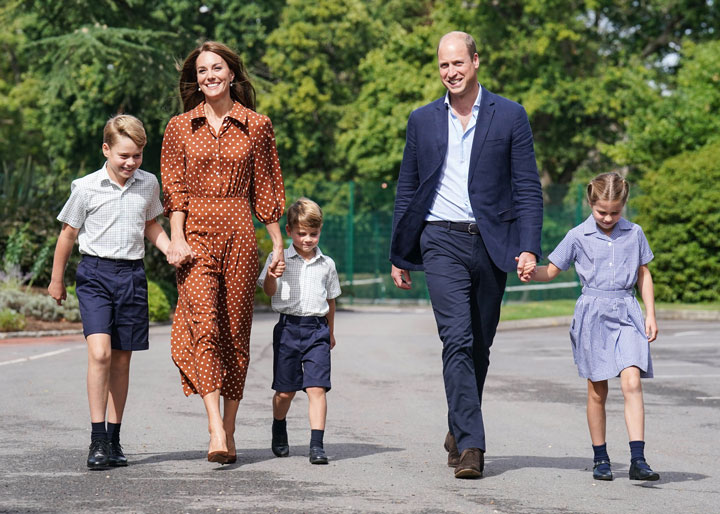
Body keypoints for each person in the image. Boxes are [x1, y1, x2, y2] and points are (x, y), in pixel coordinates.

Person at [389, 31, 543, 479]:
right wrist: (401, 251)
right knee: (455, 338)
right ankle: (473, 447)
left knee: (479, 343)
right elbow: (407, 189)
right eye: (443, 66)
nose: (451, 72)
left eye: (458, 63)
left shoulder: (510, 116)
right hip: (440, 240)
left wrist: (529, 245)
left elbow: (527, 187)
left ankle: (459, 425)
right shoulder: (421, 121)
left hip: (493, 243)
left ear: (476, 61)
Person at [161, 41, 286, 464]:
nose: (209, 76)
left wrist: (278, 242)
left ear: (232, 73)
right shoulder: (179, 127)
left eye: (217, 68)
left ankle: (230, 427)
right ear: (195, 79)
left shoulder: (257, 125)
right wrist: (176, 238)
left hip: (239, 235)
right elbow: (174, 191)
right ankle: (215, 425)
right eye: (201, 71)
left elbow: (266, 188)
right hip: (195, 237)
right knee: (206, 326)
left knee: (235, 333)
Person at [48, 114, 171, 469]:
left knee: (121, 357)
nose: (131, 163)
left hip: (132, 276)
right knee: (100, 353)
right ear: (106, 150)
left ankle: (115, 439)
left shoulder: (148, 184)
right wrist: (57, 280)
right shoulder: (85, 187)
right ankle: (97, 438)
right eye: (123, 155)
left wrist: (170, 248)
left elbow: (151, 223)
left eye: (137, 155)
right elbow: (68, 235)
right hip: (96, 275)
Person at [520, 172, 660, 481]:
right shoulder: (576, 236)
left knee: (632, 381)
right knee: (598, 390)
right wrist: (531, 271)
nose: (608, 218)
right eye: (602, 212)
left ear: (623, 206)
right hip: (593, 314)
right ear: (590, 203)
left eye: (615, 212)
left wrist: (650, 313)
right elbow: (552, 271)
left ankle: (638, 459)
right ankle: (601, 458)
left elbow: (643, 274)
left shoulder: (634, 233)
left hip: (627, 312)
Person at [257, 198, 341, 465]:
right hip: (288, 329)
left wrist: (330, 331)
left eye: (313, 234)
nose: (307, 239)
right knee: (285, 392)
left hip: (317, 330)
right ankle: (279, 425)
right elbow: (268, 292)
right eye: (301, 233)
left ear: (320, 231)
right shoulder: (278, 258)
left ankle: (316, 445)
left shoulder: (327, 264)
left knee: (317, 388)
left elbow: (331, 300)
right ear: (289, 232)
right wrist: (272, 274)